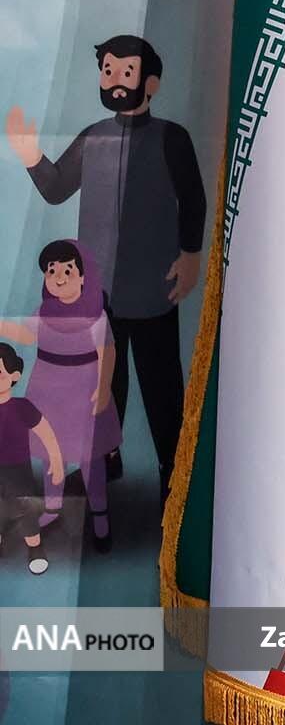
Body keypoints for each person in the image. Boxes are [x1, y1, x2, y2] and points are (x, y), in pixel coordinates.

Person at [5, 34, 204, 502]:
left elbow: (193, 199)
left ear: (150, 83)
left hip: (155, 288)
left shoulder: (172, 138)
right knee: (101, 386)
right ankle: (105, 462)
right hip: (98, 295)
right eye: (108, 70)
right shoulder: (93, 138)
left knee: (161, 386)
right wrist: (32, 156)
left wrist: (191, 255)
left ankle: (174, 474)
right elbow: (57, 188)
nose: (114, 80)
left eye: (126, 72)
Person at [0, 241, 120, 552]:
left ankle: (100, 514)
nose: (59, 277)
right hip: (49, 393)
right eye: (51, 271)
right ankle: (52, 508)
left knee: (90, 458)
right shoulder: (43, 312)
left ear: (83, 276)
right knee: (51, 456)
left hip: (84, 393)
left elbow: (108, 352)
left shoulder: (96, 317)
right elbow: (26, 334)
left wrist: (103, 387)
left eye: (67, 270)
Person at [0, 344, 65, 575]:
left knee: (25, 508)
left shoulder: (21, 407)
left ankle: (35, 548)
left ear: (14, 376)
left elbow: (45, 432)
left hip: (18, 468)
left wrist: (56, 460)